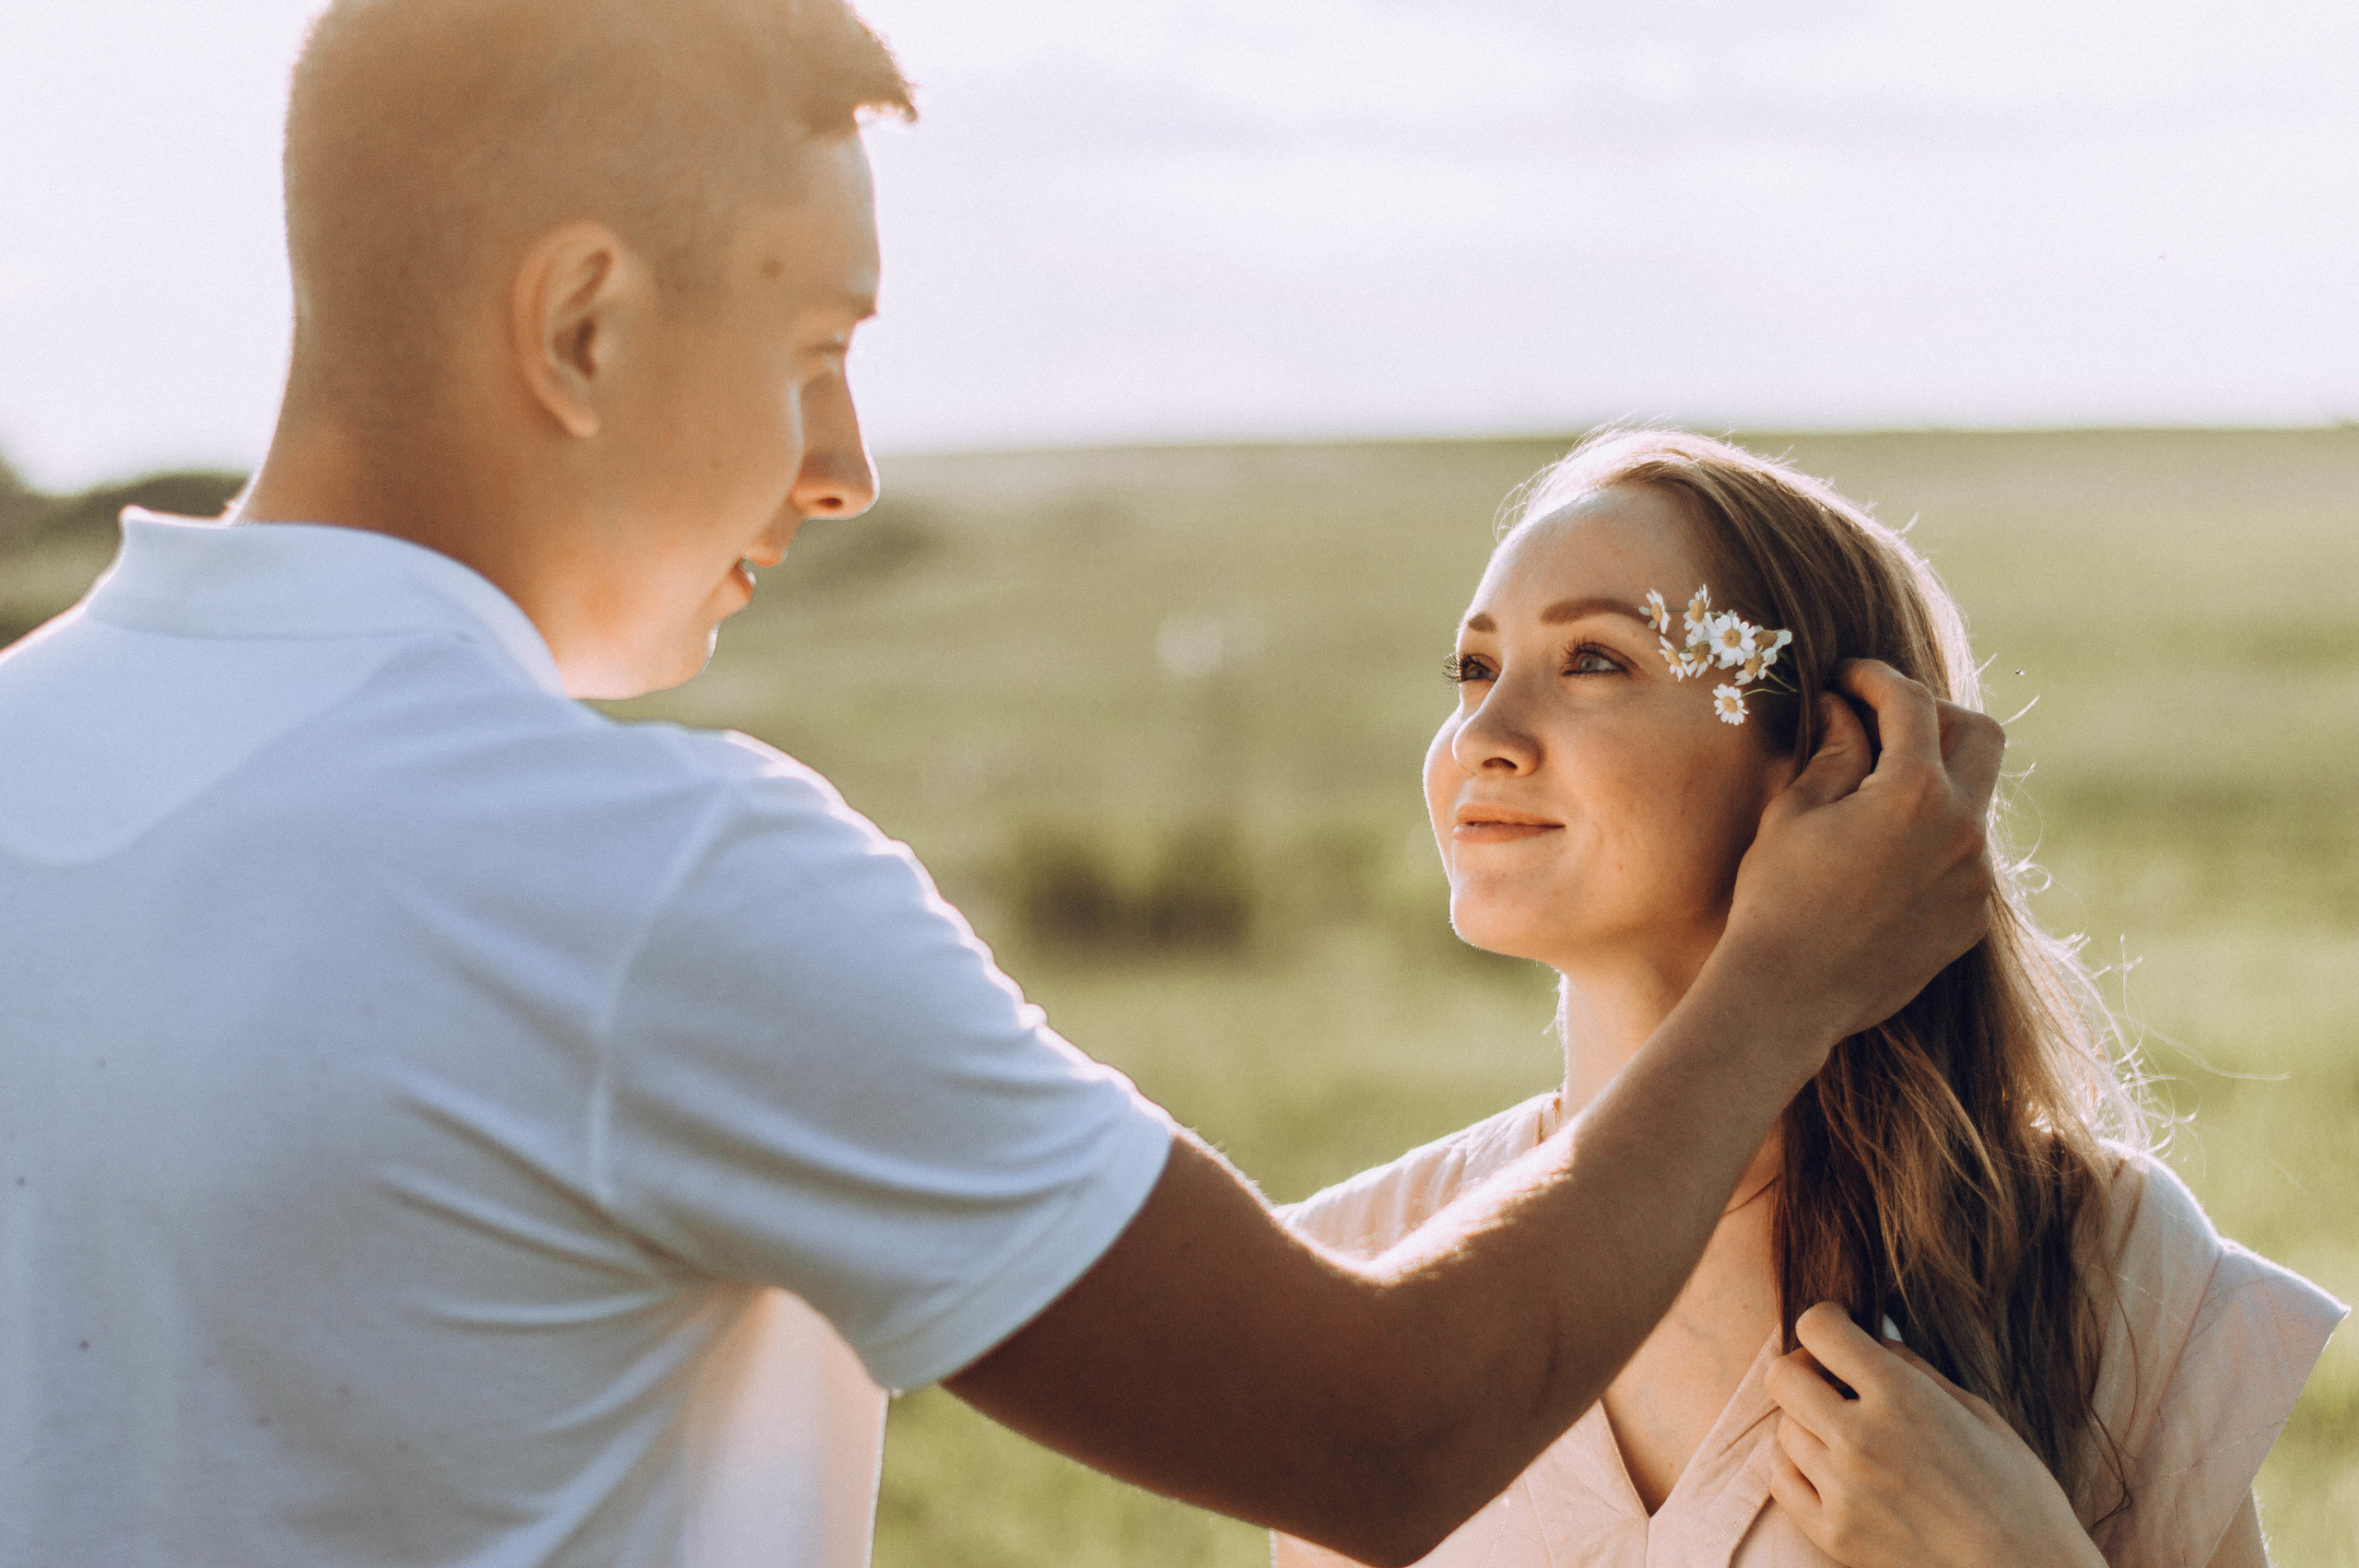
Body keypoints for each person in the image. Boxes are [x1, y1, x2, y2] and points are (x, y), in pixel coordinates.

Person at [0, 5, 2003, 1566]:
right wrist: (1781, 981)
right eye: (814, 345)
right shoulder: (653, 888)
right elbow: (1374, 1432)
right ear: (582, 323)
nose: (846, 464)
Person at [1270, 428, 2346, 1568]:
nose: (1481, 737)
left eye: (1592, 660)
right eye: (1473, 670)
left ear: (1832, 755)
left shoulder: (2092, 1260)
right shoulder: (1353, 1267)